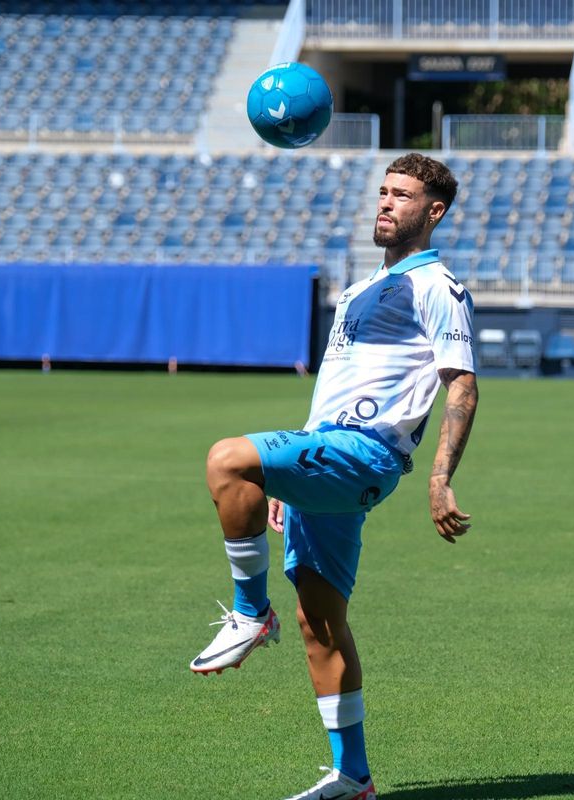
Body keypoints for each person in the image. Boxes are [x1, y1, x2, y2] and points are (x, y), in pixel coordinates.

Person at [191, 153, 478, 800]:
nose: (385, 203)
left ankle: (247, 612)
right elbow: (338, 390)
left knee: (225, 458)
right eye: (382, 191)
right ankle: (353, 777)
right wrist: (290, 480)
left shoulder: (435, 285)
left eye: (401, 195)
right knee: (319, 622)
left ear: (432, 212)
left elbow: (460, 382)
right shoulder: (357, 288)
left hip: (366, 456)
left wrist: (440, 478)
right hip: (330, 455)